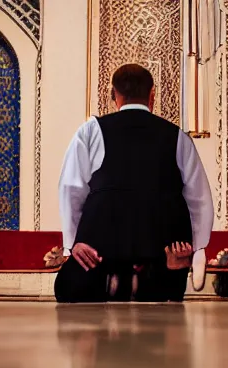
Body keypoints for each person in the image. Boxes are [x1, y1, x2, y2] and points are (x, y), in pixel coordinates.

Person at [55, 64, 214, 303]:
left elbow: (71, 188)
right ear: (152, 95)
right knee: (172, 223)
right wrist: (198, 247)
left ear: (113, 95)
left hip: (104, 241)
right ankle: (161, 274)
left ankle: (114, 278)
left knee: (67, 288)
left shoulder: (90, 130)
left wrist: (73, 243)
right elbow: (198, 196)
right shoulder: (177, 136)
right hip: (159, 243)